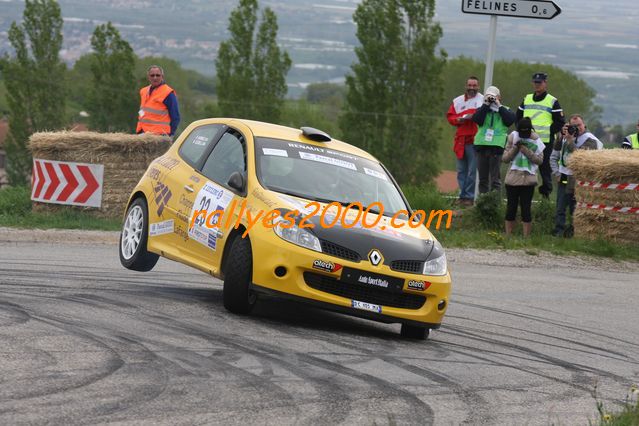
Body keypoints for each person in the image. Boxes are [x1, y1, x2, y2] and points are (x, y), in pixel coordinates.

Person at [550, 114, 603, 237]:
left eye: (579, 125)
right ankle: (559, 232)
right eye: (573, 126)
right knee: (560, 207)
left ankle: (575, 233)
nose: (576, 128)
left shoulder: (590, 140)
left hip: (580, 180)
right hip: (564, 176)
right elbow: (555, 153)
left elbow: (580, 157)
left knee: (576, 208)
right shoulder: (565, 136)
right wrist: (561, 136)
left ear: (584, 124)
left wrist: (569, 141)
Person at [516, 72, 565, 198]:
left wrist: (548, 132)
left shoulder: (552, 101)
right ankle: (525, 195)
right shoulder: (527, 99)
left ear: (545, 83)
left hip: (545, 142)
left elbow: (560, 122)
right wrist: (522, 131)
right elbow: (518, 117)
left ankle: (545, 197)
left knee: (545, 170)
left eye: (540, 82)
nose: (537, 85)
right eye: (535, 82)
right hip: (528, 140)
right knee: (526, 168)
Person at [502, 117, 545, 237]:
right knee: (511, 208)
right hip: (512, 179)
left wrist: (526, 150)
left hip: (528, 180)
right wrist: (516, 148)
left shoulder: (536, 139)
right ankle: (508, 235)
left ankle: (526, 237)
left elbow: (540, 160)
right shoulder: (512, 137)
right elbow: (505, 159)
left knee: (526, 209)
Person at [447, 76, 484, 206]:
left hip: (475, 139)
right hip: (461, 140)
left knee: (472, 171)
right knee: (461, 171)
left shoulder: (482, 100)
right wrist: (458, 120)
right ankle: (462, 196)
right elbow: (450, 116)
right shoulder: (457, 101)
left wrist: (474, 117)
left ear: (478, 87)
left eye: (474, 85)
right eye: (470, 85)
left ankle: (469, 197)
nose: (472, 88)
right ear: (466, 86)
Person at [472, 85, 516, 194]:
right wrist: (486, 105)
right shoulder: (481, 109)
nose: (491, 99)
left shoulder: (505, 110)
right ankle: (483, 203)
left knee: (495, 179)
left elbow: (510, 120)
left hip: (496, 147)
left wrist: (498, 106)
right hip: (481, 146)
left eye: (493, 96)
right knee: (483, 179)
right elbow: (477, 119)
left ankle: (494, 204)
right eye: (489, 96)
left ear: (499, 97)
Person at [137, 65, 181, 137]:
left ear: (162, 76)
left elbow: (175, 117)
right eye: (152, 75)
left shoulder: (168, 93)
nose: (155, 77)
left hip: (160, 135)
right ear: (148, 77)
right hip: (143, 132)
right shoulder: (143, 91)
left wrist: (170, 135)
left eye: (158, 75)